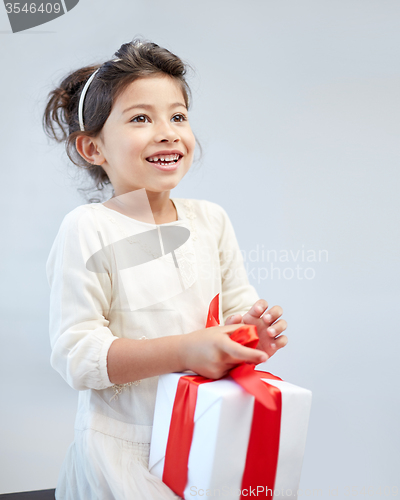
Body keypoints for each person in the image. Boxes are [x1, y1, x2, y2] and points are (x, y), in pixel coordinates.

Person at [43, 38, 288, 500]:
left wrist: (252, 333)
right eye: (141, 118)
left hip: (205, 439)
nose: (168, 132)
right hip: (119, 455)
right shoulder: (88, 228)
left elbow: (236, 311)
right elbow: (77, 355)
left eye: (178, 116)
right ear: (93, 148)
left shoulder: (210, 219)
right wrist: (187, 350)